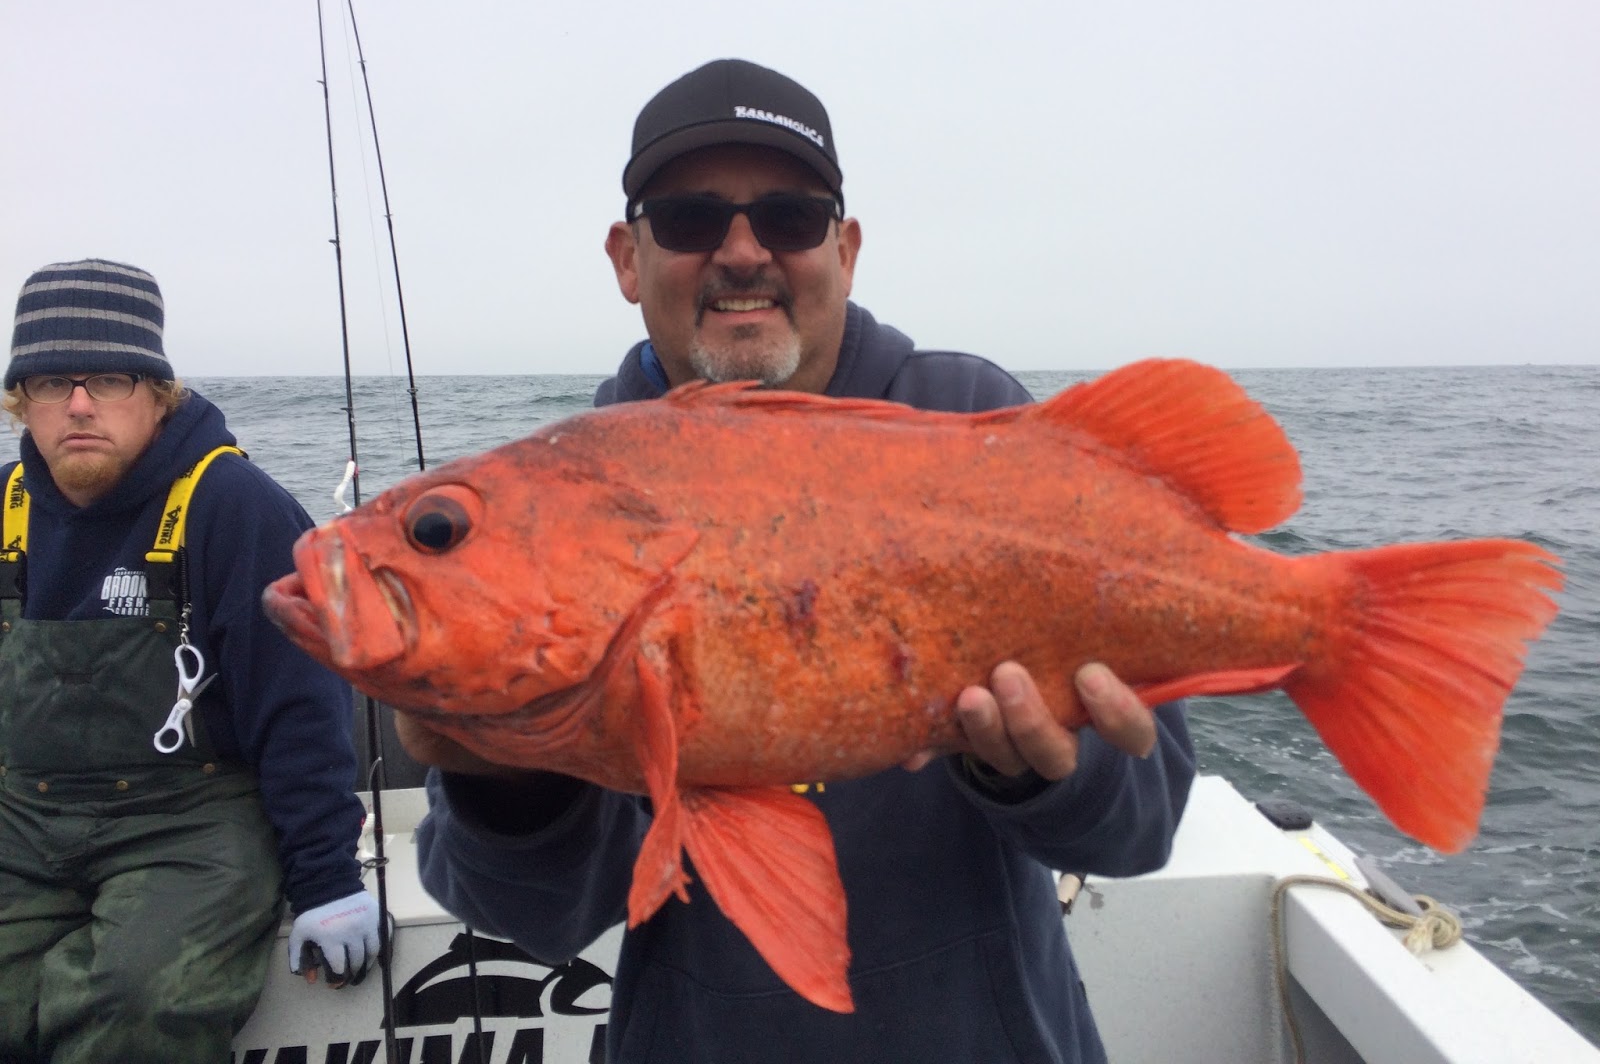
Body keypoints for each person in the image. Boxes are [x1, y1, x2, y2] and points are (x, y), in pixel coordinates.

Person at [400, 60, 1196, 1062]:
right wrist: (508, 782)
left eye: (790, 215)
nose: (742, 252)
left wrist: (1038, 775)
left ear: (845, 248)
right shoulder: (559, 499)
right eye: (689, 219)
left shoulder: (975, 422)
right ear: (626, 257)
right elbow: (538, 922)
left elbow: (1139, 830)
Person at [0, 260, 379, 1063]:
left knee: (140, 1000)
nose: (77, 405)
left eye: (108, 378)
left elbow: (300, 707)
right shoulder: (8, 509)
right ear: (19, 399)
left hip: (190, 820)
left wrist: (326, 879)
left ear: (158, 392)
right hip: (21, 816)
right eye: (47, 381)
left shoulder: (236, 507)